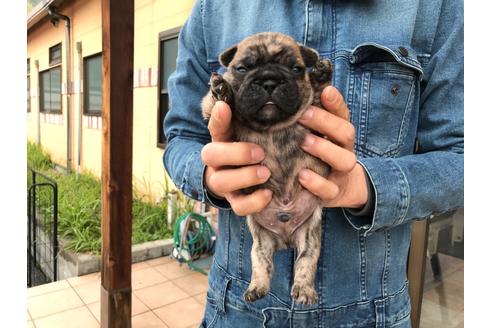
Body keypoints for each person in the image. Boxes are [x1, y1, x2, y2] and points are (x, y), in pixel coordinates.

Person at [163, 0, 463, 327]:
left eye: (293, 70)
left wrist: (368, 186)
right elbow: (181, 135)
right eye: (246, 70)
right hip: (237, 310)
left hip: (370, 313)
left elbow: (464, 157)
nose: (268, 84)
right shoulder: (214, 8)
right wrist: (209, 174)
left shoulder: (436, 7)